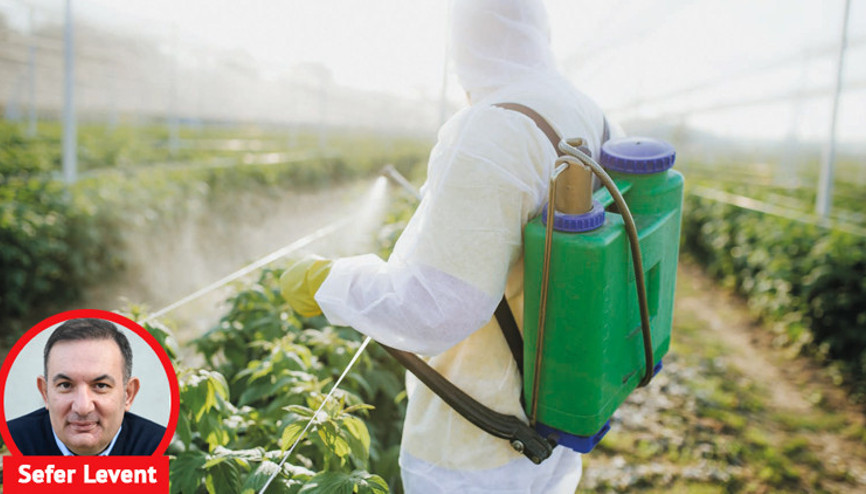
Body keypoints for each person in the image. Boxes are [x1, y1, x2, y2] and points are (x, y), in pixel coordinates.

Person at [281, 0, 618, 491]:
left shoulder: (495, 127)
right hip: (553, 419)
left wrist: (330, 282)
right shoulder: (585, 110)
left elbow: (436, 309)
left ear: (463, 39)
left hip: (475, 448)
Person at [7, 318, 166, 456]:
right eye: (65, 385)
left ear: (128, 394)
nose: (82, 408)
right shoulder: (11, 442)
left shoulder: (157, 447)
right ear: (45, 392)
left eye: (101, 386)